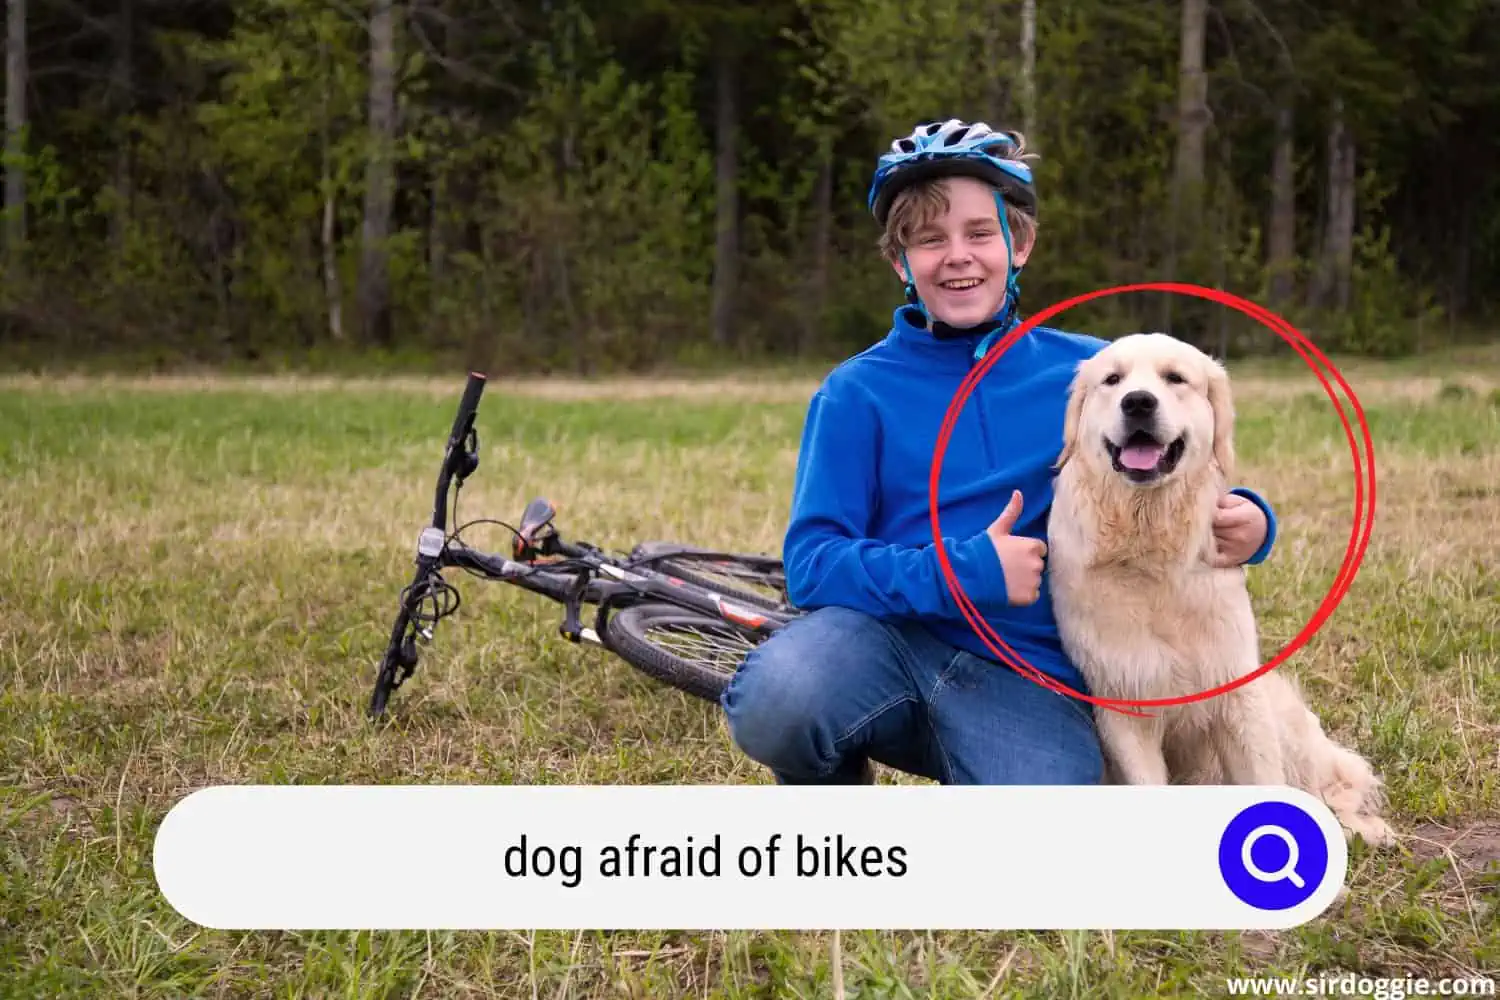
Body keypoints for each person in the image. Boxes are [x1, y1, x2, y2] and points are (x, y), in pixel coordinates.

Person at [719, 119, 1277, 785]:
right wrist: (966, 571)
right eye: (930, 240)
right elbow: (811, 565)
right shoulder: (855, 393)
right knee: (781, 698)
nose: (957, 255)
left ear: (1021, 245)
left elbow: (1178, 454)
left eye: (980, 233)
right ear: (900, 261)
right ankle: (840, 814)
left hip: (1026, 678)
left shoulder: (1094, 373)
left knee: (1048, 829)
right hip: (884, 643)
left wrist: (1253, 520)